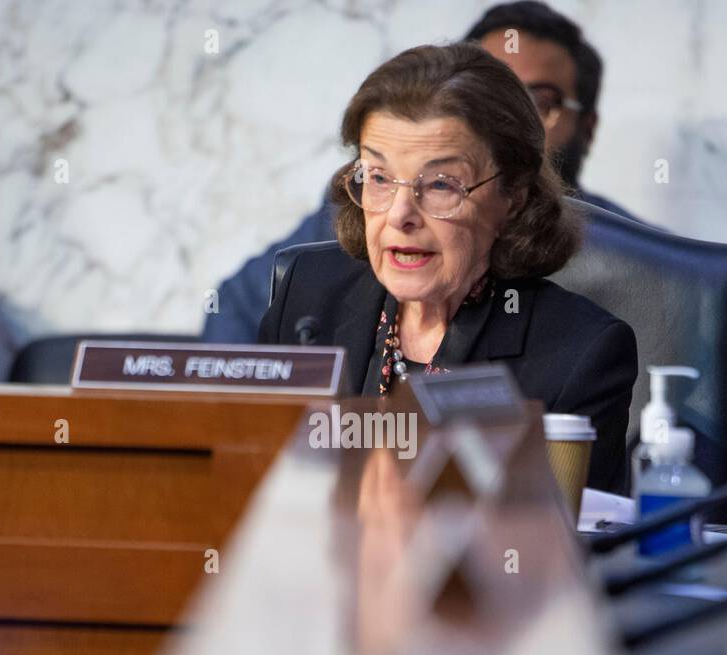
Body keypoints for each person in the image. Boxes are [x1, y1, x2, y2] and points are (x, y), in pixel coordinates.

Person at [258, 43, 637, 493]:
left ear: (512, 195)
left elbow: (571, 549)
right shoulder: (308, 296)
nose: (400, 215)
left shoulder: (579, 354)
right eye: (378, 177)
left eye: (440, 184)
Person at [203, 1, 639, 344]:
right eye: (482, 95)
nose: (401, 213)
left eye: (540, 102)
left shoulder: (638, 259)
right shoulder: (361, 211)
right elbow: (236, 308)